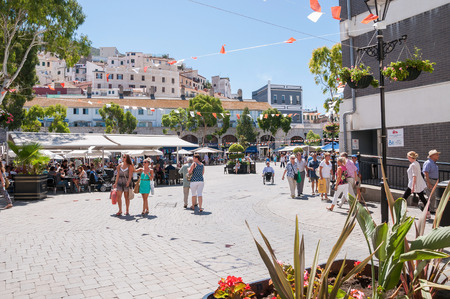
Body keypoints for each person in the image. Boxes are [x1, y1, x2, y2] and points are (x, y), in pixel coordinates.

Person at [404, 151, 430, 218]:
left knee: (404, 198)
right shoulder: (416, 163)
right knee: (422, 198)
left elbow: (414, 176)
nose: (407, 158)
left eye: (408, 157)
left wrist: (412, 187)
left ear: (410, 157)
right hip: (417, 184)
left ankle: (403, 211)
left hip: (413, 184)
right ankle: (428, 212)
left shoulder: (413, 165)